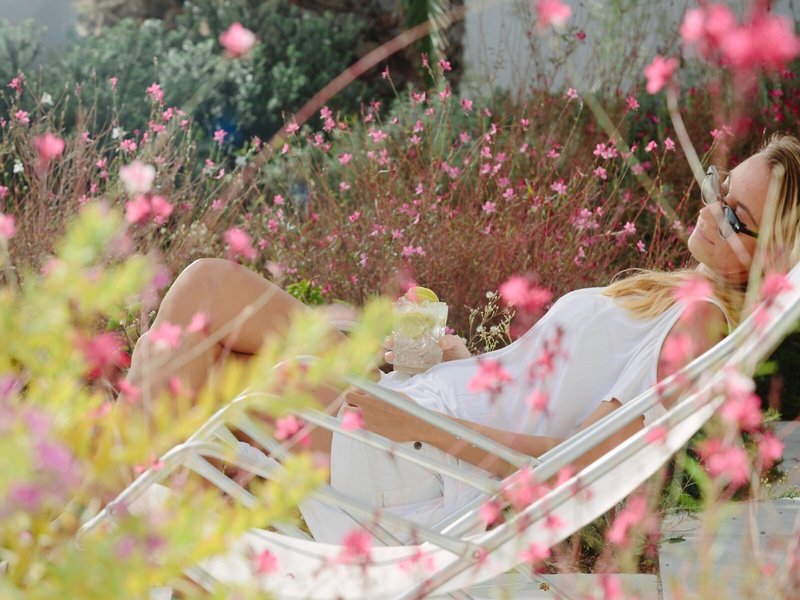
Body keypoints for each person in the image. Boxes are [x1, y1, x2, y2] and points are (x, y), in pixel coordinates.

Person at [125, 134, 800, 543]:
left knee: (198, 345)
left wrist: (416, 424)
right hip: (423, 408)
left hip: (422, 458)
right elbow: (538, 398)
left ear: (771, 255)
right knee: (201, 306)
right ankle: (159, 537)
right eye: (720, 188)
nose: (710, 209)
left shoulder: (699, 325)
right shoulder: (676, 296)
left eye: (735, 216)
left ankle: (141, 532)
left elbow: (577, 470)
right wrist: (462, 361)